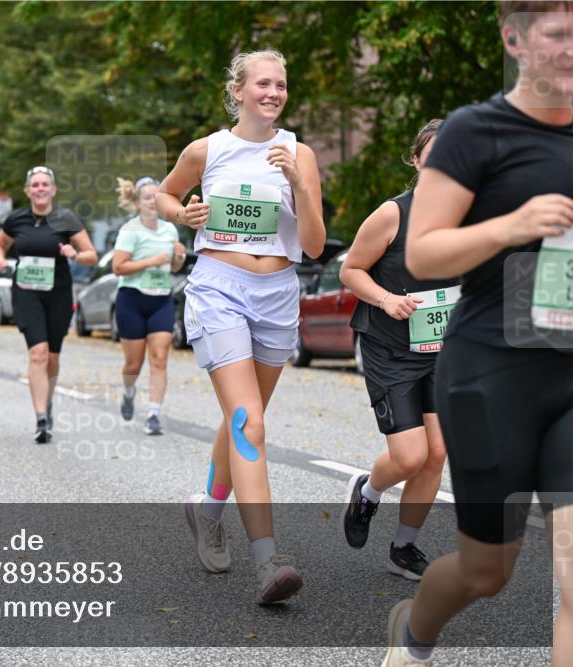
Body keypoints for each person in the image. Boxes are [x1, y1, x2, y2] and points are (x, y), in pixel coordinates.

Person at [384, 3, 573, 665]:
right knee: (484, 571)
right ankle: (414, 633)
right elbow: (422, 253)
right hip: (494, 373)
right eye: (559, 34)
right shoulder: (476, 131)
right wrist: (510, 226)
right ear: (514, 38)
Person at [156, 49, 325, 604]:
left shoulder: (299, 154)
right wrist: (182, 215)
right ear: (238, 91)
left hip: (277, 294)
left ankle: (207, 511)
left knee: (242, 421)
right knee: (249, 422)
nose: (274, 93)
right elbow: (164, 195)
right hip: (219, 289)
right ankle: (268, 560)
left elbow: (315, 245)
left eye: (281, 85)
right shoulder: (207, 150)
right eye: (263, 84)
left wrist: (299, 184)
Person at [338, 120, 451, 581]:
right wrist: (386, 299)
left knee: (437, 453)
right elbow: (350, 270)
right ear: (417, 159)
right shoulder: (392, 214)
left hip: (441, 350)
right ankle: (367, 492)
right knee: (409, 456)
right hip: (390, 348)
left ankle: (403, 549)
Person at [0, 166, 98, 443]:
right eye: (35, 185)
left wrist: (74, 254)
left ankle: (47, 403)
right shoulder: (16, 219)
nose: (40, 189)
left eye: (44, 184)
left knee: (52, 357)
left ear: (53, 190)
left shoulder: (65, 219)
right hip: (26, 293)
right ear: (28, 191)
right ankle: (40, 419)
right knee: (38, 353)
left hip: (58, 293)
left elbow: (91, 255)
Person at [112, 176, 187, 435]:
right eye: (147, 198)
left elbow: (173, 267)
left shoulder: (170, 230)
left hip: (161, 300)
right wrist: (151, 261)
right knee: (133, 364)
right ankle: (129, 391)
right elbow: (118, 267)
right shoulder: (129, 230)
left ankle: (154, 414)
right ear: (137, 202)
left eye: (156, 197)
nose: (152, 202)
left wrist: (179, 258)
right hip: (132, 300)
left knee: (160, 358)